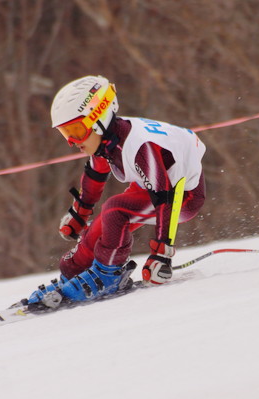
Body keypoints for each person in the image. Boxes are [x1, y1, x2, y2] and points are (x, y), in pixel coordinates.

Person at [24, 75, 206, 310]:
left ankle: (107, 276)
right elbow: (95, 175)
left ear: (98, 118)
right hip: (151, 186)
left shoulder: (142, 146)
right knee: (91, 237)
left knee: (115, 210)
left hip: (182, 196)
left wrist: (161, 255)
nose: (71, 141)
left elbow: (164, 198)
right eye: (65, 133)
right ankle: (71, 277)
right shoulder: (106, 139)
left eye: (77, 130)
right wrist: (80, 215)